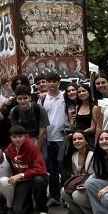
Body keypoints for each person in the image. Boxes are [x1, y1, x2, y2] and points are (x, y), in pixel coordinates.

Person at [4, 126, 49, 214]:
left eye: (20, 136)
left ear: (25, 136)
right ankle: (29, 203)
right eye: (14, 137)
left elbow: (41, 169)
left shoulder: (32, 147)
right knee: (19, 213)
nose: (17, 139)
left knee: (39, 181)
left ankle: (42, 210)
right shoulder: (9, 149)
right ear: (10, 138)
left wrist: (22, 175)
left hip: (36, 178)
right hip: (23, 181)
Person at [40, 72, 67, 207]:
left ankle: (67, 197)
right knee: (53, 170)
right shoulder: (42, 99)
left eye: (54, 81)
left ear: (58, 83)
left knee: (65, 169)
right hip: (49, 139)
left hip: (64, 138)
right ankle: (54, 196)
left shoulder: (65, 96)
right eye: (49, 81)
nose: (51, 84)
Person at [60, 131, 94, 214]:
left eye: (80, 138)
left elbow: (97, 175)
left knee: (76, 195)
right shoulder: (74, 156)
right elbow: (74, 174)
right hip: (79, 184)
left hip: (90, 185)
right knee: (63, 191)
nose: (77, 141)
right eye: (74, 139)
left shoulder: (92, 155)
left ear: (86, 141)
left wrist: (85, 184)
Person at [8, 85, 49, 150]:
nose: (22, 101)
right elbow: (16, 132)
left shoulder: (39, 109)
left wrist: (37, 150)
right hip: (22, 142)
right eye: (20, 99)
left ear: (30, 98)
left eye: (25, 98)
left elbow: (43, 132)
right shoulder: (14, 111)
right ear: (16, 99)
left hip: (39, 140)